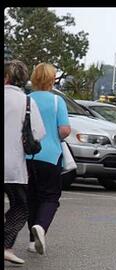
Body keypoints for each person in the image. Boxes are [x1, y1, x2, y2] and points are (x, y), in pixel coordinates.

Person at [25, 63, 70, 255]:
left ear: (34, 78)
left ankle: (30, 239)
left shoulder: (26, 99)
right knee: (50, 196)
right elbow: (65, 130)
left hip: (27, 155)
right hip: (50, 155)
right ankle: (41, 227)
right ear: (52, 80)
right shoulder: (57, 102)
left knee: (31, 197)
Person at [4, 60, 46, 264]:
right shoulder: (26, 102)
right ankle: (6, 245)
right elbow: (39, 133)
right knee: (20, 207)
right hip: (12, 164)